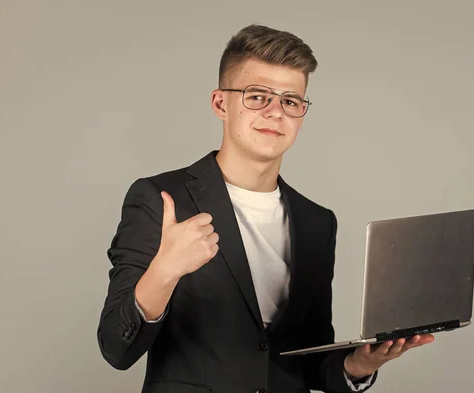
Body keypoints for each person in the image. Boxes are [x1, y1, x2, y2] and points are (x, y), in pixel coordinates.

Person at [96, 24, 434, 393]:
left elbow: (307, 358)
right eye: (257, 96)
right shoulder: (161, 199)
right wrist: (164, 271)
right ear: (221, 104)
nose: (276, 113)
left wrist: (359, 365)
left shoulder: (317, 222)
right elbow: (117, 348)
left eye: (291, 101)